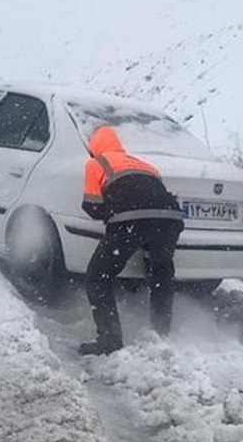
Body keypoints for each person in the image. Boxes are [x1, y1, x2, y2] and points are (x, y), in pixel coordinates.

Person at [79, 126, 185, 355]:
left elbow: (92, 206)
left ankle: (110, 341)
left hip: (131, 220)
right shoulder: (145, 164)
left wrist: (113, 211)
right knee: (161, 272)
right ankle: (161, 332)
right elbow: (153, 197)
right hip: (170, 220)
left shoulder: (96, 163)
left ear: (94, 148)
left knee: (98, 278)